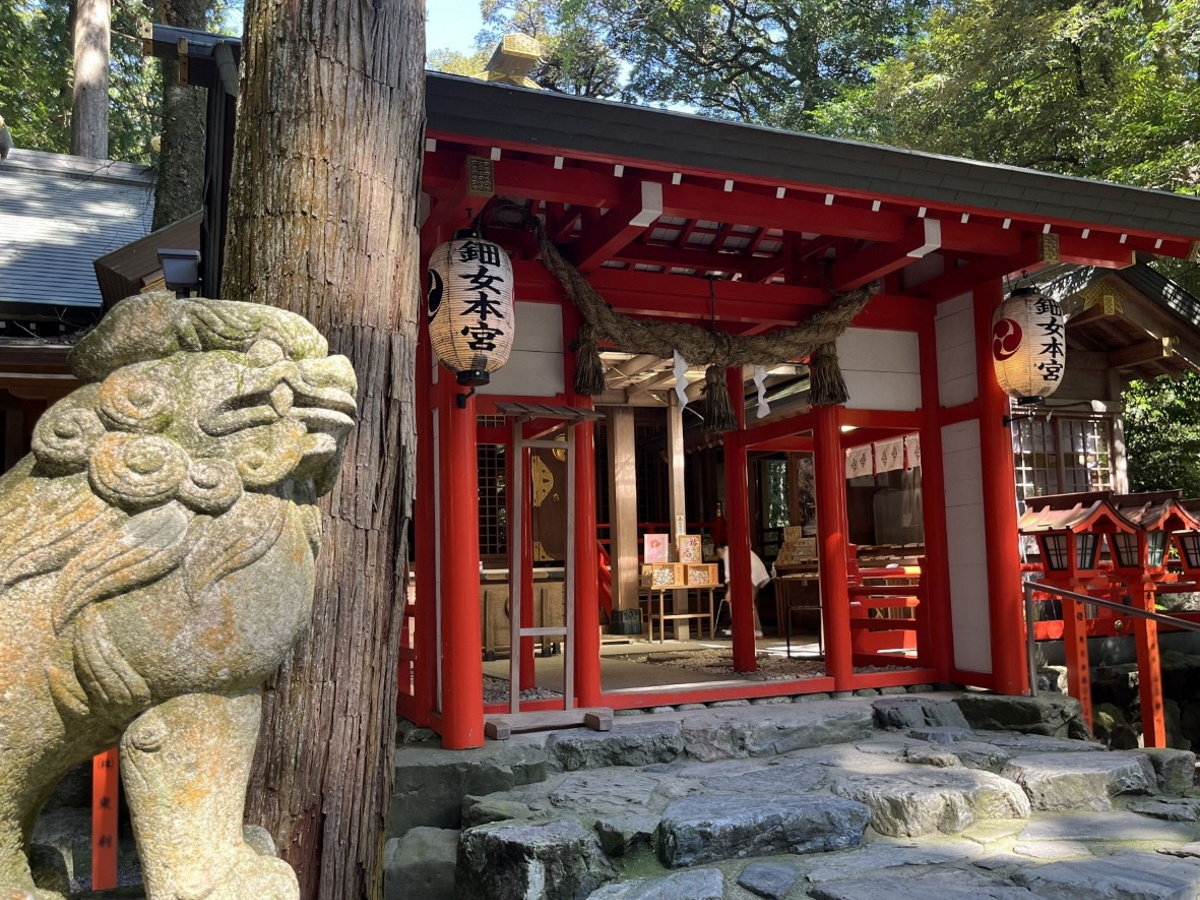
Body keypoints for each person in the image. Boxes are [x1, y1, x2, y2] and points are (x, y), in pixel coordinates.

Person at [715, 544, 768, 637]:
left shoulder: (728, 553)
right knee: (749, 602)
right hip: (754, 573)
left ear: (720, 550)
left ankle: (754, 629)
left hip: (752, 574)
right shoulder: (735, 549)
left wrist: (729, 591)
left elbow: (729, 575)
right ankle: (754, 629)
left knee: (748, 603)